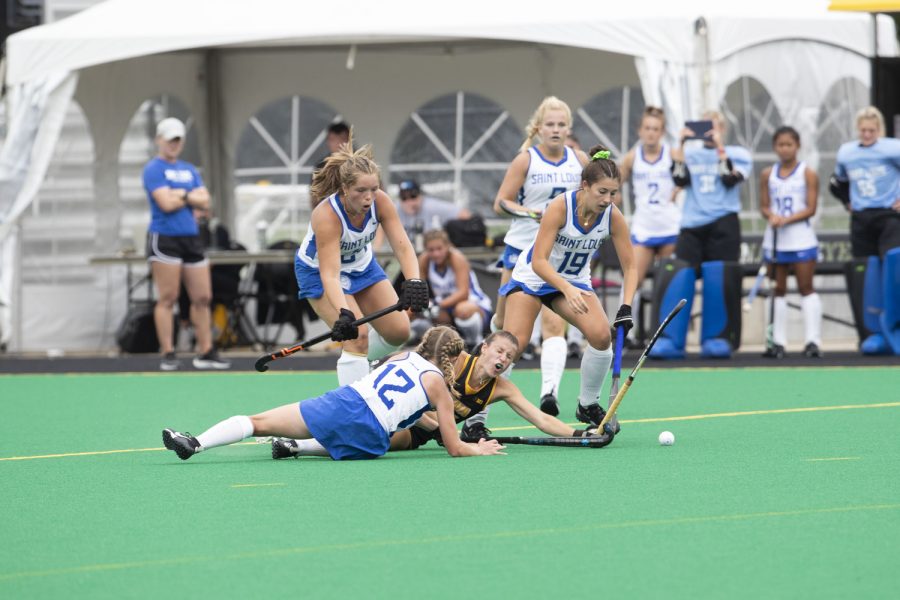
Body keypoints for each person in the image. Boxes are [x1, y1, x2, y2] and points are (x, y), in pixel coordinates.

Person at [162, 326, 506, 461]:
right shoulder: (440, 389)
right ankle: (297, 448)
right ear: (455, 356)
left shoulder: (400, 355)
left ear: (425, 343)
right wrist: (477, 447)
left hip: (348, 405)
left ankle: (196, 443)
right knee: (348, 437)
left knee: (259, 422)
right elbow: (454, 447)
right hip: (373, 441)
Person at [272, 330, 607, 457]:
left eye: (510, 357)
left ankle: (295, 447)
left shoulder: (501, 388)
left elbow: (541, 419)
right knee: (381, 435)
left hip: (427, 433)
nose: (503, 360)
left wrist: (581, 434)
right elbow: (401, 367)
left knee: (391, 443)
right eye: (500, 351)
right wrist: (444, 431)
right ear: (485, 347)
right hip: (403, 414)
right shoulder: (454, 359)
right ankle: (297, 442)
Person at [497, 146, 636, 428]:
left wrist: (626, 306)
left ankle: (587, 404)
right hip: (533, 278)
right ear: (585, 185)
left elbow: (630, 267)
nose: (608, 200)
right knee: (513, 344)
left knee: (600, 337)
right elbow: (539, 261)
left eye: (613, 193)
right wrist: (568, 290)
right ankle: (476, 417)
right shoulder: (560, 207)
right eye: (602, 192)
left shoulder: (613, 216)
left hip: (573, 280)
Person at [486, 95, 590, 425]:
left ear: (569, 128)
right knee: (504, 329)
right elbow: (500, 202)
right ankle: (479, 404)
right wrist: (530, 212)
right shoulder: (525, 160)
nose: (556, 130)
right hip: (520, 249)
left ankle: (549, 393)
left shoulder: (579, 160)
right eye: (550, 124)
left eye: (561, 125)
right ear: (539, 128)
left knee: (553, 323)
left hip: (555, 254)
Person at [296, 139, 429, 386]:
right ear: (345, 189)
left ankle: (358, 363)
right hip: (318, 273)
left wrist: (414, 279)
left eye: (374, 189)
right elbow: (331, 275)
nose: (369, 198)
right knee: (357, 335)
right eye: (360, 191)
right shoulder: (327, 216)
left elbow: (402, 245)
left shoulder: (381, 202)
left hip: (362, 267)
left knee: (399, 331)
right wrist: (343, 313)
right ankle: (354, 410)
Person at [651, 111, 752, 359]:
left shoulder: (739, 154)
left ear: (722, 129)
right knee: (680, 275)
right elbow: (679, 179)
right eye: (704, 127)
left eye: (713, 127)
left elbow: (730, 179)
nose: (708, 132)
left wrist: (719, 148)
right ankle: (670, 339)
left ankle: (717, 337)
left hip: (723, 222)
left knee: (719, 277)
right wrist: (682, 144)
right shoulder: (689, 154)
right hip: (692, 224)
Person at [142, 117, 231, 371]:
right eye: (170, 139)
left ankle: (206, 350)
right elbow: (165, 204)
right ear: (159, 139)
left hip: (191, 238)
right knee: (168, 297)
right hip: (165, 238)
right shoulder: (153, 169)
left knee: (203, 296)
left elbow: (205, 201)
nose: (174, 144)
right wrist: (188, 196)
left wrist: (179, 194)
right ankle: (168, 351)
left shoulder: (190, 169)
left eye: (178, 139)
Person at [830, 106, 900, 355]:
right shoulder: (847, 153)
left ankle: (895, 328)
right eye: (863, 130)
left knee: (893, 267)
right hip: (862, 218)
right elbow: (837, 182)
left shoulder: (893, 148)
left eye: (871, 130)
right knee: (866, 271)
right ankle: (872, 333)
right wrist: (847, 202)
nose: (867, 134)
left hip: (889, 216)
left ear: (879, 130)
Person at [619, 106, 681, 346]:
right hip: (644, 228)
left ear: (662, 132)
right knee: (633, 278)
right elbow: (615, 183)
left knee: (667, 282)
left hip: (669, 227)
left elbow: (684, 179)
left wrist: (678, 189)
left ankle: (664, 333)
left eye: (655, 129)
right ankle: (628, 331)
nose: (651, 133)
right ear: (640, 130)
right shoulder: (633, 157)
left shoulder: (673, 153)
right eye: (647, 128)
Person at [759, 126, 822, 359]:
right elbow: (764, 205)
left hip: (801, 238)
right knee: (778, 289)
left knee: (806, 287)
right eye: (780, 144)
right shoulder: (768, 174)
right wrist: (771, 216)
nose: (784, 149)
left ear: (797, 146)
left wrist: (787, 219)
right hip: (776, 239)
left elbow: (811, 208)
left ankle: (812, 341)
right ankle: (776, 341)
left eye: (789, 144)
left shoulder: (807, 173)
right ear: (775, 147)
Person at [415, 229, 493, 348]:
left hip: (474, 304)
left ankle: (474, 343)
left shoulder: (457, 258)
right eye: (431, 250)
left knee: (462, 310)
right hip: (446, 307)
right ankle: (450, 345)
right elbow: (419, 290)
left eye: (439, 248)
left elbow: (463, 293)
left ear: (447, 246)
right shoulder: (424, 260)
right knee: (434, 316)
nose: (436, 253)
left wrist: (437, 305)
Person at [309, 121, 351, 208]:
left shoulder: (360, 164)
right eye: (333, 140)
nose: (338, 144)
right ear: (328, 141)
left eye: (342, 139)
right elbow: (314, 196)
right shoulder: (321, 167)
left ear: (349, 140)